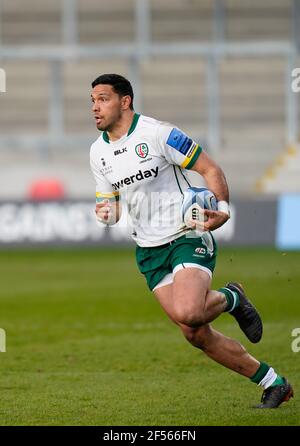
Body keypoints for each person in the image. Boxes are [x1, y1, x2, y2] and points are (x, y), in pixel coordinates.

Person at [89, 73, 293, 409]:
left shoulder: (158, 133)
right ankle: (275, 384)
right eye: (92, 101)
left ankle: (231, 297)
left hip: (187, 234)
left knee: (189, 309)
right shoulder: (98, 152)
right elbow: (111, 205)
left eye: (103, 98)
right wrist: (107, 213)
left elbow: (210, 169)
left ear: (125, 101)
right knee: (193, 331)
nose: (95, 107)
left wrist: (223, 208)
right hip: (149, 250)